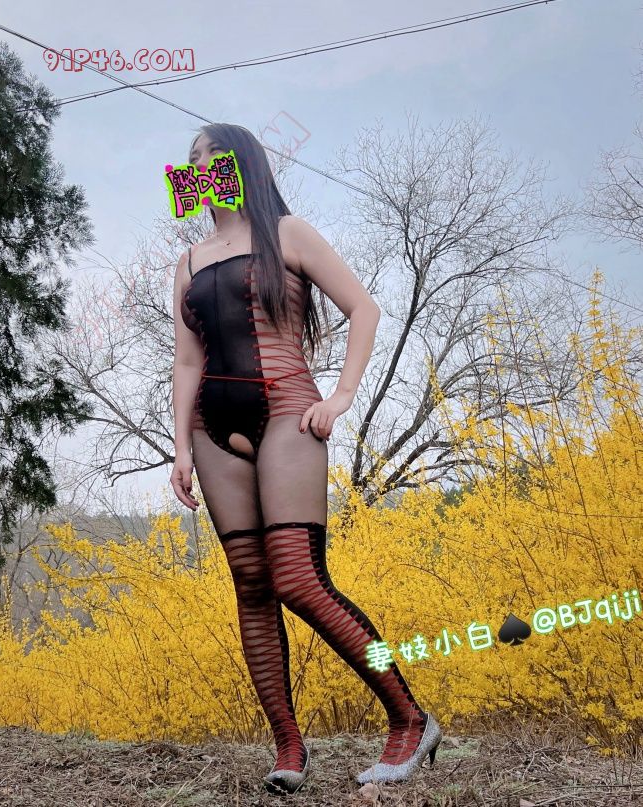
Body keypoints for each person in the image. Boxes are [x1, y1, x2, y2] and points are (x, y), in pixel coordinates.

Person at [170, 123, 441, 794]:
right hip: (211, 427)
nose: (199, 164)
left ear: (242, 164)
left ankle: (410, 718)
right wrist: (180, 448)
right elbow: (187, 361)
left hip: (288, 407)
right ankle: (288, 746)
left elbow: (363, 309)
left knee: (297, 577)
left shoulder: (286, 233)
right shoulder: (189, 260)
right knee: (251, 582)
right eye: (192, 158)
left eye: (212, 154)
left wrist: (341, 396)